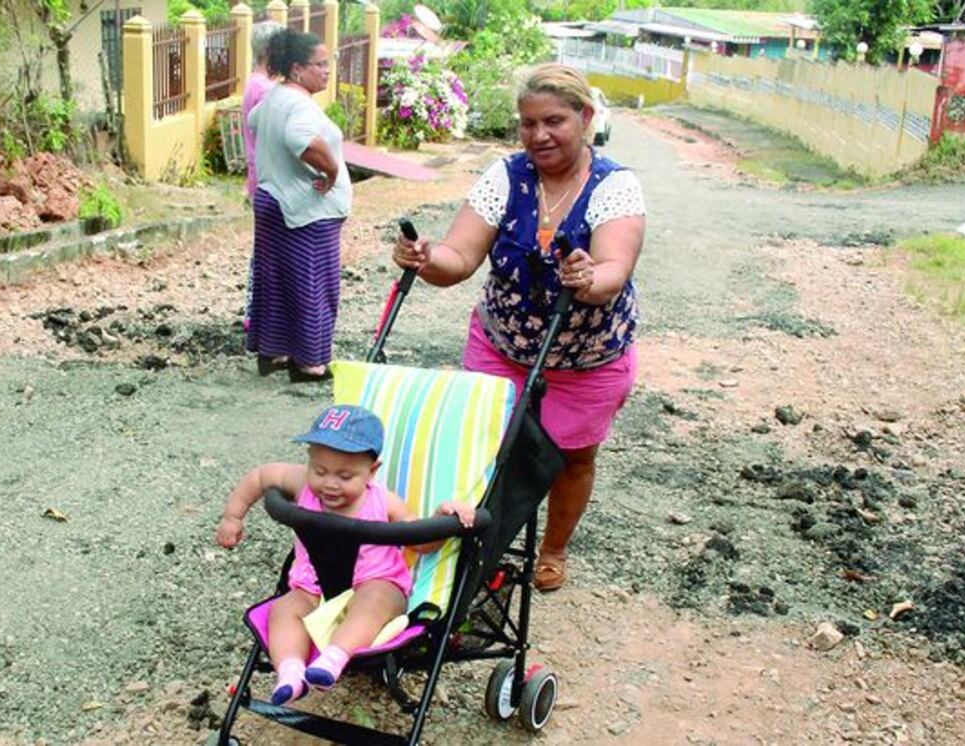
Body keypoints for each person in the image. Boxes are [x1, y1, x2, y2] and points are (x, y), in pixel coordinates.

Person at [392, 64, 645, 593]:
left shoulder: (615, 186)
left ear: (586, 117)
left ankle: (553, 549)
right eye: (528, 123)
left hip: (586, 357)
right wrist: (425, 256)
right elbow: (458, 257)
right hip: (502, 344)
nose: (539, 135)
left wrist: (589, 276)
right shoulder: (505, 176)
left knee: (573, 457)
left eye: (554, 120)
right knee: (482, 450)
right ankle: (477, 550)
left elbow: (613, 270)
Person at [215, 404, 475, 704]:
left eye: (345, 475)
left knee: (375, 599)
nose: (329, 483)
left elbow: (421, 542)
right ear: (309, 461)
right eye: (320, 470)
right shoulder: (302, 485)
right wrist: (232, 516)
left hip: (375, 583)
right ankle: (290, 671)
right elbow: (261, 476)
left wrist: (442, 516)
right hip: (313, 587)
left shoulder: (383, 502)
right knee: (283, 610)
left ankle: (333, 658)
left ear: (372, 471)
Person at [246, 29, 351, 383]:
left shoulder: (275, 97)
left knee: (276, 283)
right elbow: (300, 139)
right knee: (314, 285)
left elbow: (253, 120)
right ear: (296, 68)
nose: (327, 70)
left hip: (273, 200)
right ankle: (309, 363)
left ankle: (273, 353)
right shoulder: (300, 104)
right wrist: (332, 168)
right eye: (320, 64)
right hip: (305, 211)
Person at [240, 20, 284, 334]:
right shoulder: (265, 89)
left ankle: (257, 315)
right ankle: (259, 316)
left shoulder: (254, 83)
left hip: (260, 178)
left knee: (265, 250)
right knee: (269, 253)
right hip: (270, 179)